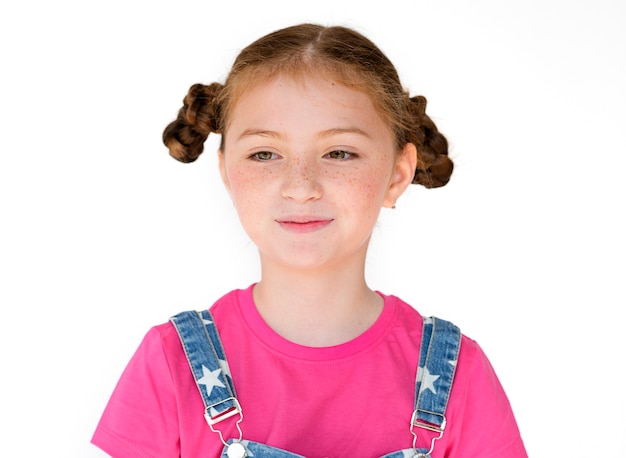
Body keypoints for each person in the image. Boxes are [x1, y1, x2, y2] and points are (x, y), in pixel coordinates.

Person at [91, 23, 527, 457]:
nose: (301, 187)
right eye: (265, 154)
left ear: (397, 175)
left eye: (339, 153)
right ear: (226, 171)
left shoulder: (457, 376)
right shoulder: (172, 364)